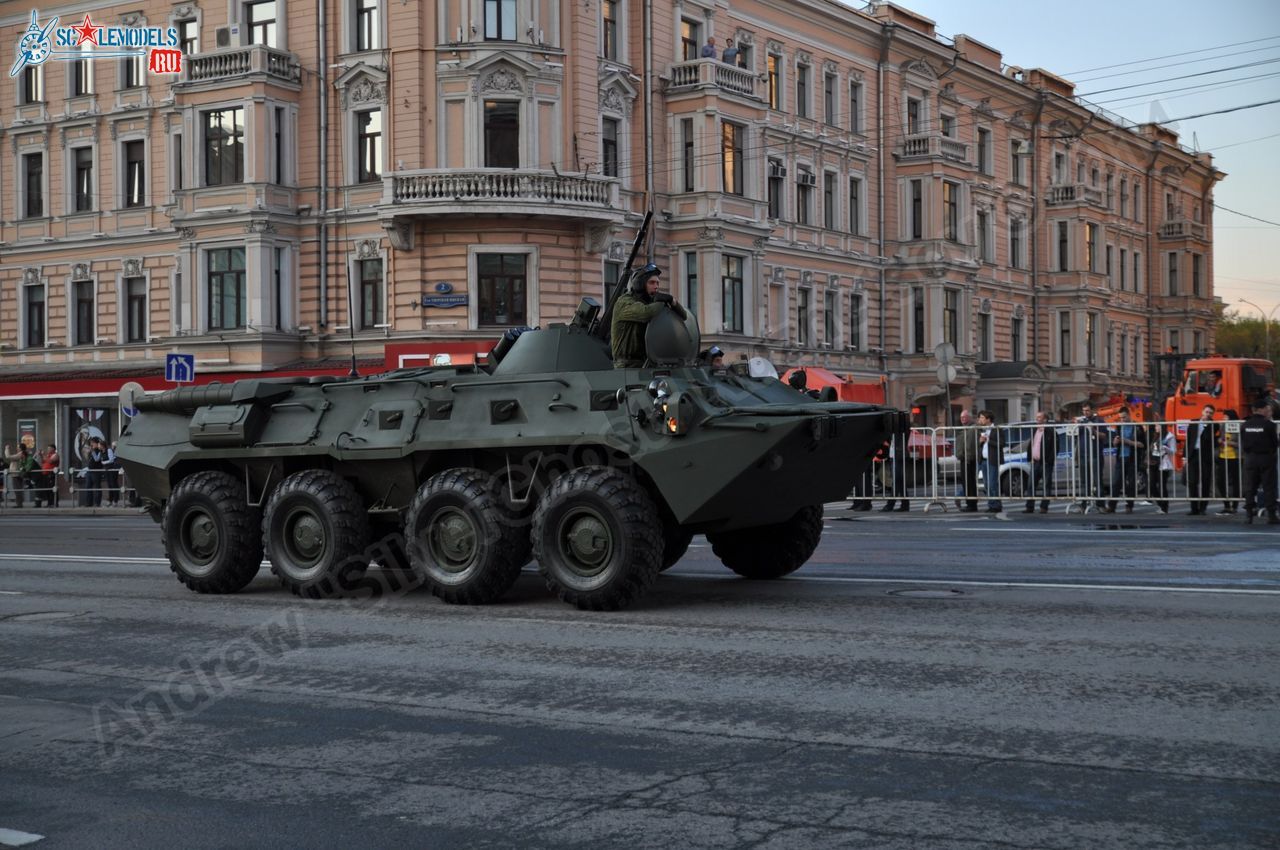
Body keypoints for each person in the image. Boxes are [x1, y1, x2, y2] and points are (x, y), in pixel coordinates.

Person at [610, 263, 686, 368]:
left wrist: (672, 300)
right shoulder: (624, 302)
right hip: (626, 365)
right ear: (639, 284)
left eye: (658, 283)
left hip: (647, 362)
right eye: (652, 283)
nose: (656, 286)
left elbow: (683, 316)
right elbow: (645, 313)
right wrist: (661, 302)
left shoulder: (651, 303)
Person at [1240, 396, 1279, 525]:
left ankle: (1249, 515)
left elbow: (1243, 443)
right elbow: (1275, 443)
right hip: (1266, 458)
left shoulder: (1245, 425)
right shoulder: (1269, 425)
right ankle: (1271, 515)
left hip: (1250, 458)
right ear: (1261, 409)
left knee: (1250, 487)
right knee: (1268, 487)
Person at [1104, 408, 1145, 513]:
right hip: (1120, 457)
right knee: (1116, 482)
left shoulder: (1137, 427)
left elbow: (1142, 444)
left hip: (1132, 458)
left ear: (1129, 415)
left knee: (1131, 483)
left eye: (1124, 417)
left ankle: (1129, 506)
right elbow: (1114, 443)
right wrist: (1115, 442)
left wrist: (1127, 442)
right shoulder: (1118, 426)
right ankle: (1112, 506)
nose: (1122, 420)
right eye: (1120, 417)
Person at [1184, 404, 1218, 516]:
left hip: (1205, 455)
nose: (1208, 414)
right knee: (1192, 482)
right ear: (1202, 411)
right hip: (1193, 454)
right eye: (1206, 412)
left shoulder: (1214, 425)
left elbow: (1209, 438)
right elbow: (1188, 440)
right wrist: (1185, 456)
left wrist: (1206, 425)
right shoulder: (1193, 422)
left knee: (1205, 482)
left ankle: (1203, 508)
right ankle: (1194, 508)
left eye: (1210, 413)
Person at [1021, 411, 1057, 514]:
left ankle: (1044, 507)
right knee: (1030, 485)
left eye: (1039, 417)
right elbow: (1031, 444)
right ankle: (1029, 507)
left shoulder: (1050, 431)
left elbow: (1055, 447)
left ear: (1045, 419)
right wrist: (1030, 457)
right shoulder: (1035, 430)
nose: (1037, 419)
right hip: (1035, 462)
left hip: (1045, 463)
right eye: (1037, 417)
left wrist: (1048, 460)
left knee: (1046, 485)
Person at [1075, 403, 1105, 511]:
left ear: (1092, 410)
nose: (1085, 413)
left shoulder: (1099, 421)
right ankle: (1083, 504)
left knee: (1097, 481)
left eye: (1087, 410)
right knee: (1084, 481)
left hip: (1095, 454)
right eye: (1083, 411)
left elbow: (1104, 436)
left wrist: (1093, 430)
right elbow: (1075, 436)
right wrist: (1076, 426)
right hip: (1084, 455)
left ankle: (1100, 505)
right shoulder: (1082, 422)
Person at [1213, 409, 1241, 516]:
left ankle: (1234, 506)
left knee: (1235, 482)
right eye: (1223, 417)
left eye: (1226, 417)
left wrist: (1228, 442)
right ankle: (1226, 505)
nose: (1224, 419)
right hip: (1222, 456)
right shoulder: (1222, 426)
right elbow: (1220, 438)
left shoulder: (1238, 426)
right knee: (1220, 481)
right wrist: (1220, 441)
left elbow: (1240, 443)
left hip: (1235, 457)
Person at [977, 410, 1004, 513]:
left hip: (992, 460)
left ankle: (996, 505)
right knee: (987, 484)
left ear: (988, 419)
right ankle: (991, 504)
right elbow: (980, 446)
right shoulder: (982, 430)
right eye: (980, 418)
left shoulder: (996, 429)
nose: (980, 420)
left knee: (993, 483)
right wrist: (980, 442)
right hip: (983, 460)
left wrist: (989, 440)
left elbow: (1002, 443)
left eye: (982, 418)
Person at [879, 428, 910, 512]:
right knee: (899, 482)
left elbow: (900, 441)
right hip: (894, 454)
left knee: (897, 481)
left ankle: (891, 504)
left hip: (898, 455)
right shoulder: (895, 430)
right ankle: (904, 504)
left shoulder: (900, 428)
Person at [34, 443, 59, 508]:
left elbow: (50, 461)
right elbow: (43, 461)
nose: (48, 449)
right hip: (45, 474)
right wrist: (40, 455)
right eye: (48, 448)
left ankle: (54, 503)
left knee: (52, 489)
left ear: (53, 449)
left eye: (49, 448)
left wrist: (43, 454)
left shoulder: (55, 455)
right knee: (47, 489)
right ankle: (49, 503)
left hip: (51, 474)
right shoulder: (47, 455)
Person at [85, 437, 108, 508]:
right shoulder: (92, 450)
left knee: (97, 487)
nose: (91, 444)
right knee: (88, 487)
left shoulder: (99, 450)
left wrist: (92, 451)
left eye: (93, 443)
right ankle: (89, 503)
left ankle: (97, 503)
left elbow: (97, 459)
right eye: (91, 443)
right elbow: (88, 459)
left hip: (96, 471)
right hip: (90, 471)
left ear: (97, 443)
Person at [5, 444, 29, 508]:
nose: (17, 448)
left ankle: (19, 504)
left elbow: (8, 457)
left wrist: (7, 449)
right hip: (16, 473)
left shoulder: (20, 454)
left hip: (16, 474)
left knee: (17, 489)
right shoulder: (21, 454)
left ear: (21, 448)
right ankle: (19, 503)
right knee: (17, 489)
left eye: (18, 447)